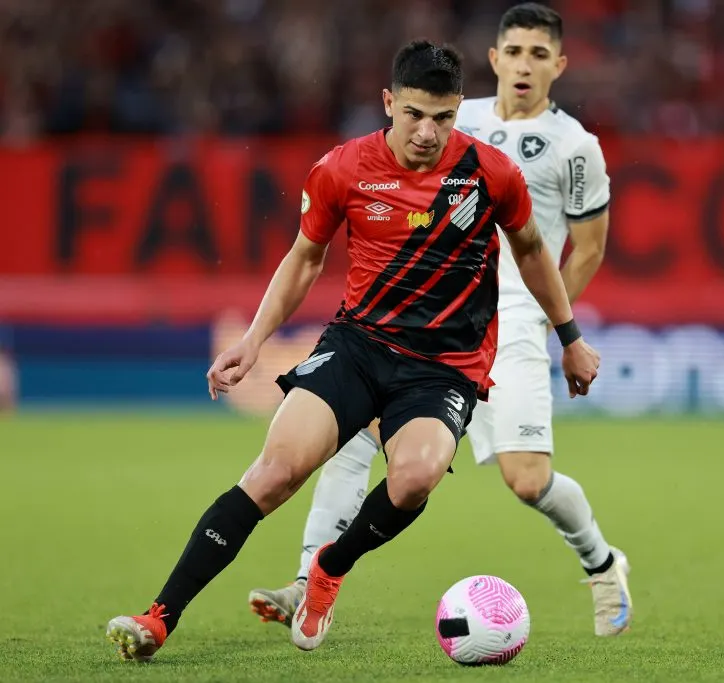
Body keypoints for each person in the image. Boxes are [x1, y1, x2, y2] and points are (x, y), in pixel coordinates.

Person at [105, 38, 600, 662]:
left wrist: (570, 337)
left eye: (443, 118)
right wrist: (254, 340)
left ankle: (327, 570)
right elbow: (304, 259)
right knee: (274, 473)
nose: (428, 131)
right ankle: (159, 616)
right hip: (359, 345)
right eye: (415, 114)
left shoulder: (490, 173)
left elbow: (531, 251)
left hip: (443, 367)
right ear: (389, 102)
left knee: (416, 476)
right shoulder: (342, 167)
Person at [248, 3, 632, 639]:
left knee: (527, 480)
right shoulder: (454, 117)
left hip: (514, 319)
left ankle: (601, 561)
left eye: (540, 55)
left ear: (559, 66)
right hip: (428, 325)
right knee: (356, 435)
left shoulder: (576, 147)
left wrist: (550, 327)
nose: (524, 65)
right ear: (495, 59)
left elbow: (584, 248)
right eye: (514, 52)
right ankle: (305, 579)